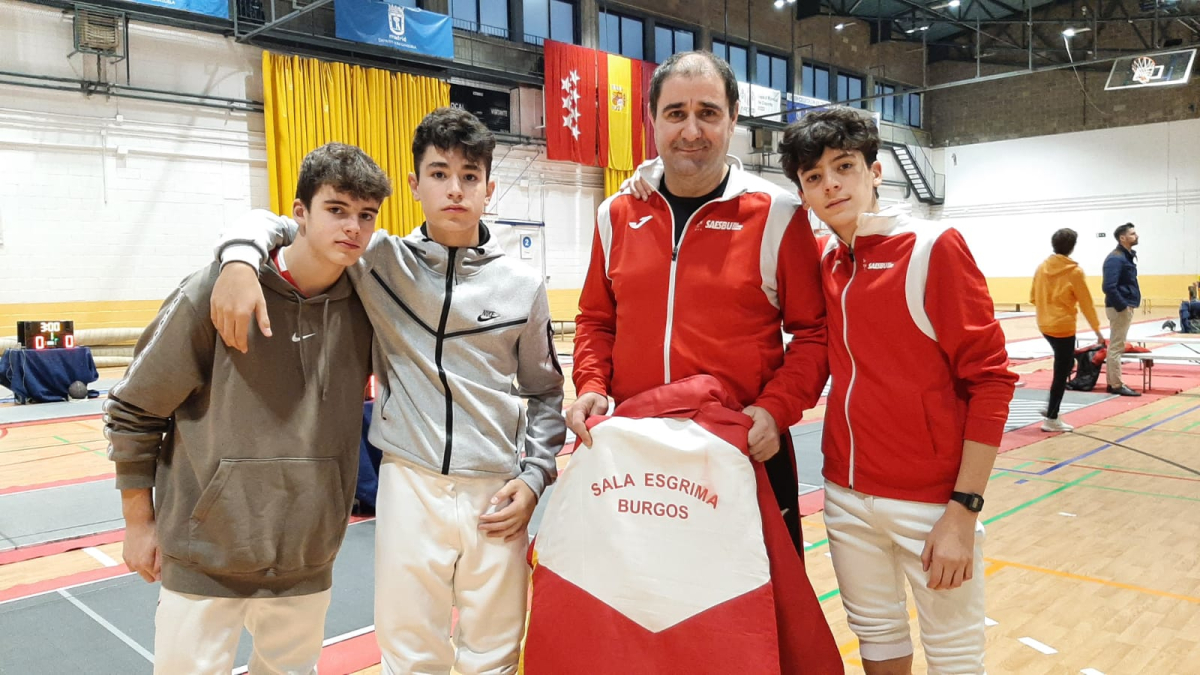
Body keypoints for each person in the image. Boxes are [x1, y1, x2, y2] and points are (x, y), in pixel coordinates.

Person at [209, 107, 566, 674]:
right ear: (414, 185)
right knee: (409, 652)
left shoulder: (522, 286)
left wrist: (534, 476)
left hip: (496, 491)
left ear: (489, 188)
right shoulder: (377, 261)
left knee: (494, 654)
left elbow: (546, 393)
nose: (455, 189)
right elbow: (287, 224)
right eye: (440, 173)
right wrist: (238, 258)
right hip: (409, 484)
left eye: (470, 176)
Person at [576, 50, 841, 673]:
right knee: (645, 620)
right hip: (637, 464)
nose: (691, 130)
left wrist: (774, 413)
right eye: (676, 113)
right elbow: (595, 321)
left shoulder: (777, 213)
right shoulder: (616, 214)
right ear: (650, 121)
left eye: (707, 113)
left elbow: (814, 333)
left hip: (743, 456)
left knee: (756, 629)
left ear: (734, 119)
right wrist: (590, 384)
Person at [105, 142, 387, 674]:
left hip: (306, 557)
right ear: (298, 215)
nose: (352, 227)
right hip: (204, 554)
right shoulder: (217, 290)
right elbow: (135, 410)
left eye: (365, 216)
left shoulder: (371, 303)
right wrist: (137, 523)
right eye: (336, 210)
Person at [779, 107, 1018, 675]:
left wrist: (963, 511)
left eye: (844, 167)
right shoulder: (828, 262)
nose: (831, 183)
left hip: (932, 504)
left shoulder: (933, 248)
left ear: (875, 171)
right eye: (814, 177)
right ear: (804, 193)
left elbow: (992, 381)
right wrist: (655, 176)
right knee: (878, 639)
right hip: (845, 495)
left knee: (955, 654)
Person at [1030, 228, 1105, 432]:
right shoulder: (1074, 272)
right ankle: (1052, 418)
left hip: (1044, 324)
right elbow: (1086, 303)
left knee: (1065, 363)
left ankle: (1052, 408)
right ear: (1072, 247)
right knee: (1061, 370)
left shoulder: (1041, 267)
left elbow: (1033, 297)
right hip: (1062, 327)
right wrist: (1097, 330)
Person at [1101, 222, 1142, 396]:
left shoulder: (1125, 256)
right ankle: (1116, 384)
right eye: (1132, 234)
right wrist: (1122, 306)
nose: (1136, 236)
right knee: (1117, 347)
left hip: (1123, 306)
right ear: (1122, 238)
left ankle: (1113, 382)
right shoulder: (1116, 258)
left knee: (1116, 346)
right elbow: (1108, 286)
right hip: (1119, 308)